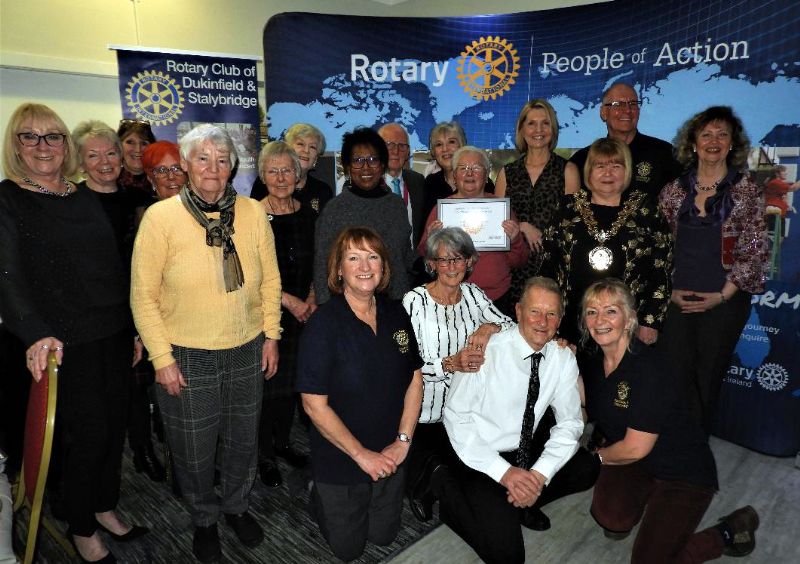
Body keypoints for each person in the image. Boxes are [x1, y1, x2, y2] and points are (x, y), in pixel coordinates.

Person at [0, 103, 146, 563]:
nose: (43, 146)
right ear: (15, 146)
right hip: (62, 341)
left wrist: (136, 328)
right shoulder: (8, 197)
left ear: (66, 146)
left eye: (53, 136)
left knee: (114, 428)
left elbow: (109, 267)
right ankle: (81, 525)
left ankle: (103, 505)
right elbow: (6, 274)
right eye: (30, 136)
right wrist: (36, 333)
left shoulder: (81, 195)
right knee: (89, 436)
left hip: (113, 331)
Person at [131, 124, 282, 562]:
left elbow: (271, 279)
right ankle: (203, 518)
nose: (213, 168)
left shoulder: (253, 213)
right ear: (185, 165)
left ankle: (235, 505)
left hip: (247, 347)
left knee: (241, 440)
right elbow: (143, 294)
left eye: (222, 160)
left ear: (232, 167)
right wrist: (162, 358)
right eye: (203, 159)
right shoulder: (160, 219)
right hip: (185, 354)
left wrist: (271, 334)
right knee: (193, 449)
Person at [579, 278, 760, 563]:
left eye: (611, 311)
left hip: (682, 473)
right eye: (591, 311)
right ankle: (642, 502)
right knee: (610, 517)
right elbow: (586, 408)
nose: (599, 319)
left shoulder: (650, 367)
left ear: (630, 319)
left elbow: (635, 448)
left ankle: (728, 531)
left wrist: (593, 459)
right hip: (637, 462)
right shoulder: (591, 361)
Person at [434, 277, 598, 564]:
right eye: (535, 311)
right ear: (519, 311)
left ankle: (520, 498)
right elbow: (455, 417)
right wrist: (505, 473)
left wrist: (537, 476)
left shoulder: (562, 358)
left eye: (551, 314)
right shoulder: (486, 350)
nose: (542, 322)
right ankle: (454, 501)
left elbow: (571, 423)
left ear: (560, 319)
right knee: (508, 557)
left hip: (524, 449)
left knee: (586, 468)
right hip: (478, 454)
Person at [297, 227, 423, 562]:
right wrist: (361, 455)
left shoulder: (396, 312)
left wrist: (403, 440)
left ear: (383, 267)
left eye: (373, 257)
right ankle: (316, 492)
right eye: (353, 257)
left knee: (384, 536)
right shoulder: (323, 324)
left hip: (391, 450)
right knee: (348, 551)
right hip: (341, 457)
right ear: (339, 269)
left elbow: (414, 378)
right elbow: (313, 405)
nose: (364, 265)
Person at [658, 106, 768, 431]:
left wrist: (721, 296)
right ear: (693, 143)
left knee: (707, 379)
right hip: (676, 301)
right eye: (706, 134)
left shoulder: (747, 190)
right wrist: (669, 290)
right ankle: (669, 448)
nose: (713, 141)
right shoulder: (672, 191)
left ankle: (695, 456)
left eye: (722, 134)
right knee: (675, 377)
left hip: (724, 304)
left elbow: (755, 249)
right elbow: (659, 249)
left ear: (732, 143)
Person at [73, 123, 168, 484]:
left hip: (136, 304)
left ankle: (140, 450)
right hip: (94, 317)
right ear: (80, 162)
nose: (106, 161)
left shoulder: (138, 201)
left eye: (111, 153)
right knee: (107, 401)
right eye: (94, 156)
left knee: (136, 384)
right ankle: (135, 453)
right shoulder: (73, 201)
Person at [402, 227, 514, 521]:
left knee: (473, 474)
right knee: (443, 472)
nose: (451, 267)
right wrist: (450, 363)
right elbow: (404, 366)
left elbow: (513, 328)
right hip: (422, 412)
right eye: (443, 260)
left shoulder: (474, 295)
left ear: (470, 262)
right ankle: (426, 480)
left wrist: (490, 327)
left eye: (458, 259)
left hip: (464, 409)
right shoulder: (414, 301)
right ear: (432, 265)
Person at [543, 138, 672, 346]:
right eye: (600, 166)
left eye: (616, 166)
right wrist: (547, 317)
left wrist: (651, 321)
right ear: (589, 171)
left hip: (629, 326)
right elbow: (547, 266)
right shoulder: (567, 208)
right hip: (569, 325)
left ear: (627, 170)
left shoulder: (646, 211)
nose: (608, 173)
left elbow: (662, 270)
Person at [255, 141, 317, 488]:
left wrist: (310, 297)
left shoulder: (309, 212)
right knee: (268, 385)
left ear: (298, 174)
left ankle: (283, 443)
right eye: (273, 171)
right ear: (263, 175)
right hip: (268, 315)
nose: (281, 177)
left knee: (293, 386)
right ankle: (264, 453)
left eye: (287, 170)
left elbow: (321, 259)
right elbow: (250, 273)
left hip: (306, 314)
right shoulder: (251, 215)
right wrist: (291, 302)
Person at [417, 146, 528, 317]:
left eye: (476, 168)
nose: (469, 173)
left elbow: (518, 262)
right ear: (454, 176)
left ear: (487, 174)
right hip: (451, 299)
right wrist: (430, 241)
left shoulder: (501, 209)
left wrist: (515, 240)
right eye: (463, 168)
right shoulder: (440, 210)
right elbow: (425, 258)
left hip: (496, 300)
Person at [313, 127, 415, 304]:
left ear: (382, 164)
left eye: (373, 159)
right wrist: (325, 308)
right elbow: (322, 264)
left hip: (396, 303)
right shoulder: (335, 209)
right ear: (347, 167)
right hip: (350, 308)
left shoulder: (396, 205)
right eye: (358, 160)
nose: (366, 167)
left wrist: (433, 257)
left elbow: (404, 255)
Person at [495, 99, 580, 305]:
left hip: (553, 268)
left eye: (545, 123)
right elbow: (496, 226)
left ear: (553, 129)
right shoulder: (507, 174)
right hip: (513, 271)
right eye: (531, 123)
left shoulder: (568, 170)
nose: (538, 130)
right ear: (522, 129)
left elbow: (574, 225)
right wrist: (522, 226)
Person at [569, 83, 681, 198]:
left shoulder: (665, 154)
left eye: (633, 104)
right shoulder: (582, 160)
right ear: (603, 112)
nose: (627, 110)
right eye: (618, 104)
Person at [250, 123, 333, 213]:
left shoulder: (323, 190)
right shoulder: (266, 183)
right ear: (288, 149)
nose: (306, 151)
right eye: (300, 144)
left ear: (316, 157)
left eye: (312, 147)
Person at [422, 121, 495, 221]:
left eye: (451, 142)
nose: (445, 149)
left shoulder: (482, 183)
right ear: (434, 152)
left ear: (462, 146)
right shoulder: (430, 183)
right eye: (439, 144)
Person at [378, 123, 427, 248]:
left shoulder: (417, 181)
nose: (396, 151)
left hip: (412, 262)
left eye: (402, 146)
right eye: (389, 145)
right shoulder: (368, 185)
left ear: (408, 152)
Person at [116, 119, 156, 212]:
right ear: (118, 146)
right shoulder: (109, 181)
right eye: (130, 142)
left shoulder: (160, 181)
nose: (138, 149)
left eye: (144, 143)